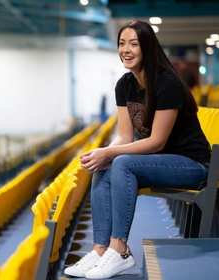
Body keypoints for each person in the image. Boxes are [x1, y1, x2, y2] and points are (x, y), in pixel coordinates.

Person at [64, 20, 211, 279]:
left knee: (120, 161)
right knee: (107, 163)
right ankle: (100, 250)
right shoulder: (125, 85)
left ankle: (119, 250)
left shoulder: (167, 84)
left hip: (191, 165)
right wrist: (103, 153)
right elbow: (124, 136)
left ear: (148, 48)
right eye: (122, 43)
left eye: (134, 43)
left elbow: (157, 142)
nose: (126, 49)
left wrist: (110, 153)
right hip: (160, 161)